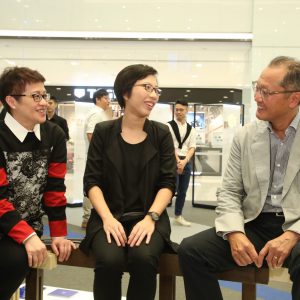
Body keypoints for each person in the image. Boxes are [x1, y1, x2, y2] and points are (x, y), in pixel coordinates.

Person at [178, 55, 300, 300]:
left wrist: (294, 234)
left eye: (266, 92)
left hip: (296, 225)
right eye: (257, 88)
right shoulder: (245, 136)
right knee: (192, 251)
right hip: (254, 222)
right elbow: (230, 191)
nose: (257, 98)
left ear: (294, 98)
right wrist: (234, 232)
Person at [80, 64, 177, 300]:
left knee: (143, 259)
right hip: (108, 215)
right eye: (147, 87)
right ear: (125, 92)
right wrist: (107, 218)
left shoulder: (161, 133)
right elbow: (92, 181)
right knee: (109, 260)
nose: (154, 95)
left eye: (156, 89)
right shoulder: (104, 131)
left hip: (148, 217)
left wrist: (151, 218)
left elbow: (168, 183)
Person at [0, 66, 76, 300]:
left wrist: (59, 234)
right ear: (12, 101)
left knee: (17, 258)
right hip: (6, 222)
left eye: (44, 95)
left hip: (27, 225)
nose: (45, 102)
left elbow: (55, 189)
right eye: (36, 96)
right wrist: (27, 236)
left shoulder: (54, 135)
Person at [81, 88, 111, 228]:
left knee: (96, 185)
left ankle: (90, 216)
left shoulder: (98, 112)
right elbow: (91, 134)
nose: (108, 101)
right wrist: (100, 153)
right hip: (97, 158)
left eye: (108, 98)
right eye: (105, 98)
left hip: (97, 157)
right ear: (98, 99)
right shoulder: (96, 113)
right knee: (92, 185)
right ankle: (87, 218)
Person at [167, 100, 196, 226]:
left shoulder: (191, 129)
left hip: (186, 161)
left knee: (183, 191)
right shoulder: (168, 126)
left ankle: (178, 215)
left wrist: (185, 161)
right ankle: (159, 215)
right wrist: (178, 161)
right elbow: (169, 145)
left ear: (186, 110)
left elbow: (192, 147)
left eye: (181, 110)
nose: (178, 112)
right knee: (170, 190)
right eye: (176, 109)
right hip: (172, 159)